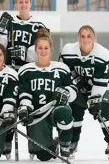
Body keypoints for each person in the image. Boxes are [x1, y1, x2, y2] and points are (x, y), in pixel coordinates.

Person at [0, 0, 49, 157]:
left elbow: (43, 51)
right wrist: (1, 31)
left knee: (29, 106)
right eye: (20, 2)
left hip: (30, 72)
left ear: (30, 3)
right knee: (9, 106)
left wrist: (25, 53)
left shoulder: (39, 25)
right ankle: (7, 139)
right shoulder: (9, 22)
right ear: (16, 3)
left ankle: (33, 140)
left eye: (26, 2)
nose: (23, 4)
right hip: (11, 71)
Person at [58, 25, 109, 160]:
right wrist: (77, 82)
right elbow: (64, 72)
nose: (85, 39)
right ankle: (73, 141)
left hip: (103, 85)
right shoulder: (68, 50)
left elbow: (101, 80)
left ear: (94, 38)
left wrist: (95, 99)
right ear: (78, 37)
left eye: (89, 36)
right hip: (80, 86)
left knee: (103, 110)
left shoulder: (102, 54)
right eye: (82, 36)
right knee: (75, 110)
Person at [17, 29, 77, 161]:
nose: (43, 51)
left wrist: (66, 93)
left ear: (50, 49)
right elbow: (24, 92)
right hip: (38, 115)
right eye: (40, 48)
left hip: (55, 109)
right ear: (36, 50)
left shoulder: (61, 68)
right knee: (44, 156)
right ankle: (52, 144)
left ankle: (65, 146)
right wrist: (25, 107)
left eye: (46, 48)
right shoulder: (26, 70)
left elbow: (73, 89)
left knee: (64, 112)